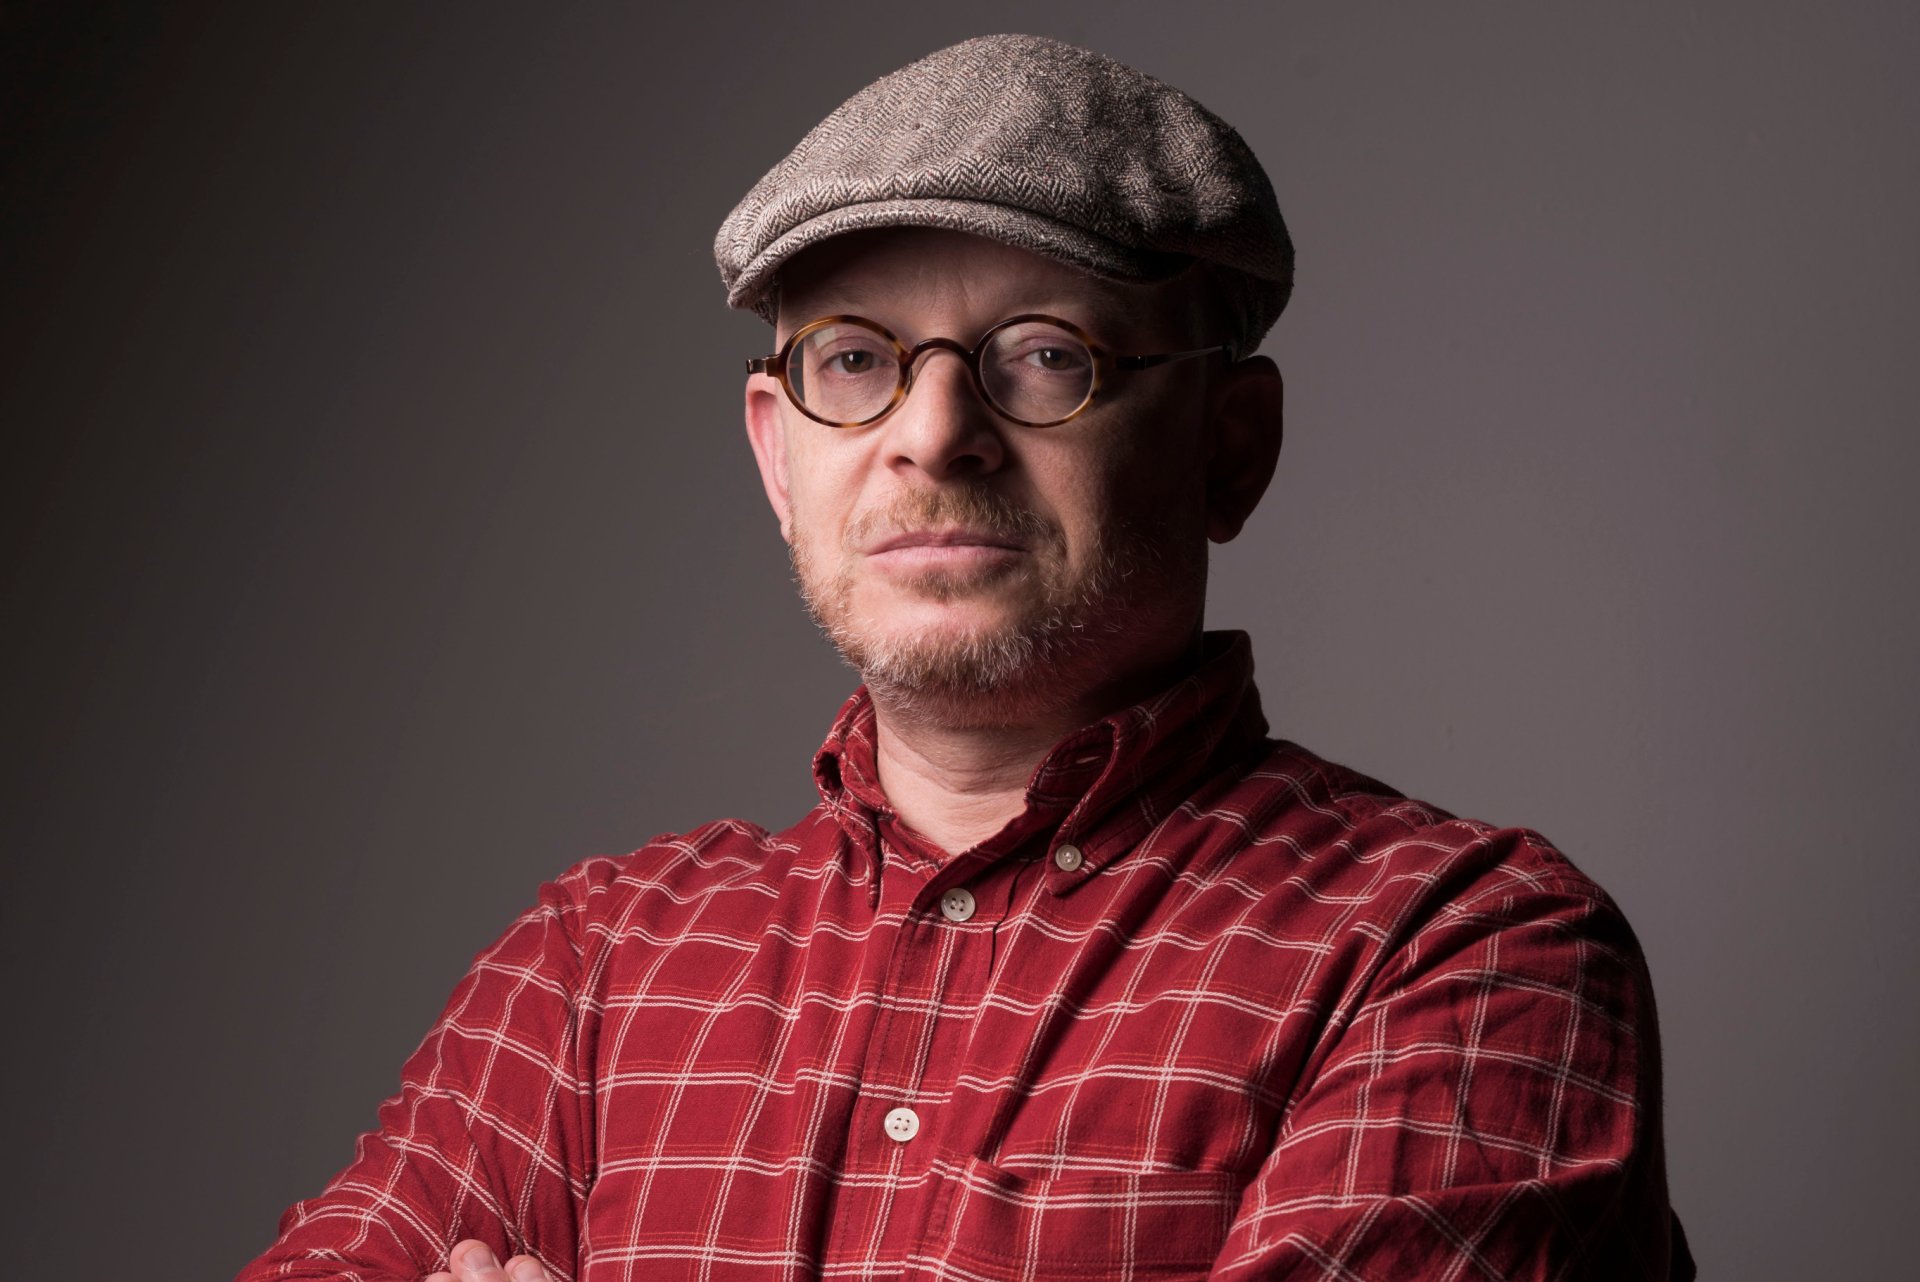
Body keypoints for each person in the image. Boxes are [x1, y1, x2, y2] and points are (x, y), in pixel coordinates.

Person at [236, 34, 1694, 1282]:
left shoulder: (1458, 949)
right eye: (855, 360)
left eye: (1046, 353)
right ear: (779, 457)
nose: (934, 434)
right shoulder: (594, 969)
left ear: (1230, 445)